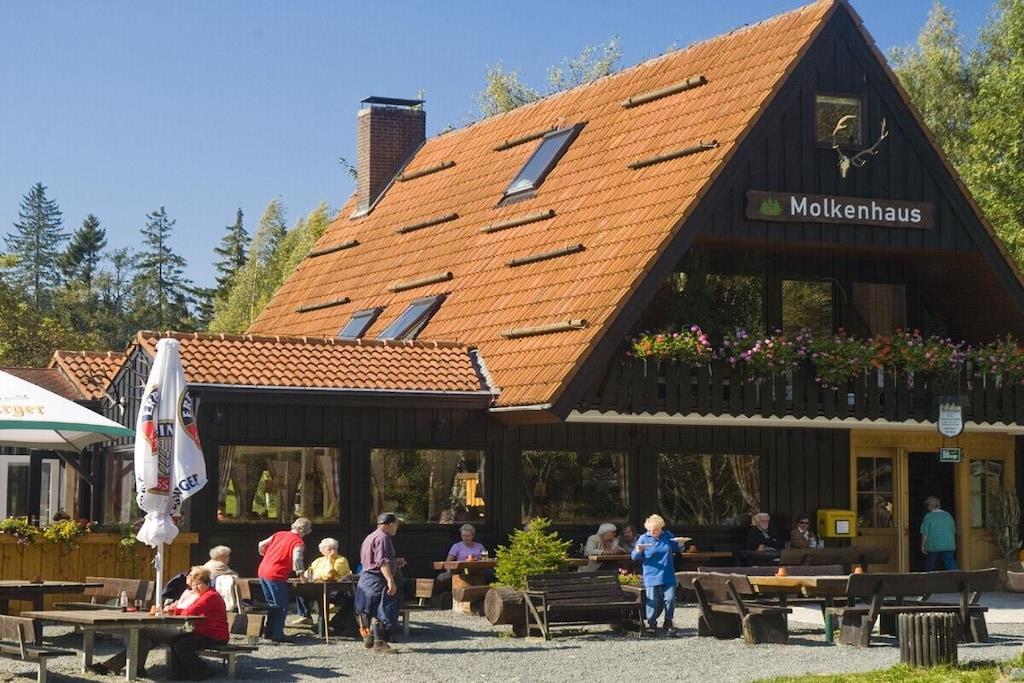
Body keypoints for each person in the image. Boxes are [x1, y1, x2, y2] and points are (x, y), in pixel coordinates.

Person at [90, 566, 229, 680]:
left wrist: (173, 610)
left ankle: (199, 671)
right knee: (147, 634)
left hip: (206, 632)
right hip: (195, 629)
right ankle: (135, 668)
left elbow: (190, 611)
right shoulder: (196, 593)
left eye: (198, 583)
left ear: (206, 582)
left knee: (151, 634)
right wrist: (172, 608)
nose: (195, 586)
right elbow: (183, 608)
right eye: (193, 583)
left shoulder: (208, 596)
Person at [257, 517, 312, 642]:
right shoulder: (298, 542)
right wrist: (301, 575)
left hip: (263, 570)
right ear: (305, 531)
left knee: (272, 604)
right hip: (277, 573)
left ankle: (269, 631)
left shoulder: (279, 534)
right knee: (281, 605)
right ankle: (277, 634)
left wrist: (266, 554)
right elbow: (297, 559)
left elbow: (261, 544)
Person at [355, 512, 402, 654]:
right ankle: (379, 642)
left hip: (366, 578)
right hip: (377, 579)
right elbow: (382, 562)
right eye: (396, 524)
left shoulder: (371, 536)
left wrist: (396, 562)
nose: (397, 527)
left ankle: (370, 637)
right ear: (390, 524)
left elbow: (373, 559)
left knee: (369, 608)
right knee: (382, 609)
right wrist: (390, 580)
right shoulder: (383, 538)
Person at [630, 514, 682, 636]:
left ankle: (668, 621)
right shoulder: (643, 538)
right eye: (650, 530)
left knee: (670, 599)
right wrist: (638, 551)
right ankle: (652, 624)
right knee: (652, 600)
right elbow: (634, 557)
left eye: (656, 529)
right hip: (651, 574)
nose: (653, 532)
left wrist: (681, 544)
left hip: (668, 573)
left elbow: (677, 548)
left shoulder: (667, 536)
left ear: (661, 528)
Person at [296, 537, 353, 633]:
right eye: (329, 549)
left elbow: (329, 576)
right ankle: (306, 616)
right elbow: (308, 573)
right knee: (300, 591)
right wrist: (314, 576)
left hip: (335, 590)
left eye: (334, 548)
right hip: (317, 588)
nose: (333, 551)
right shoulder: (318, 561)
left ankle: (323, 626)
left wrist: (330, 560)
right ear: (322, 551)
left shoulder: (341, 560)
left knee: (321, 596)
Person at [921, 496, 958, 571]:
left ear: (929, 506)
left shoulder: (928, 517)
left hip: (933, 545)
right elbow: (953, 531)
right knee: (950, 561)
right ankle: (955, 575)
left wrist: (923, 545)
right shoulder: (948, 515)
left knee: (930, 562)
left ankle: (929, 576)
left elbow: (925, 533)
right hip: (949, 544)